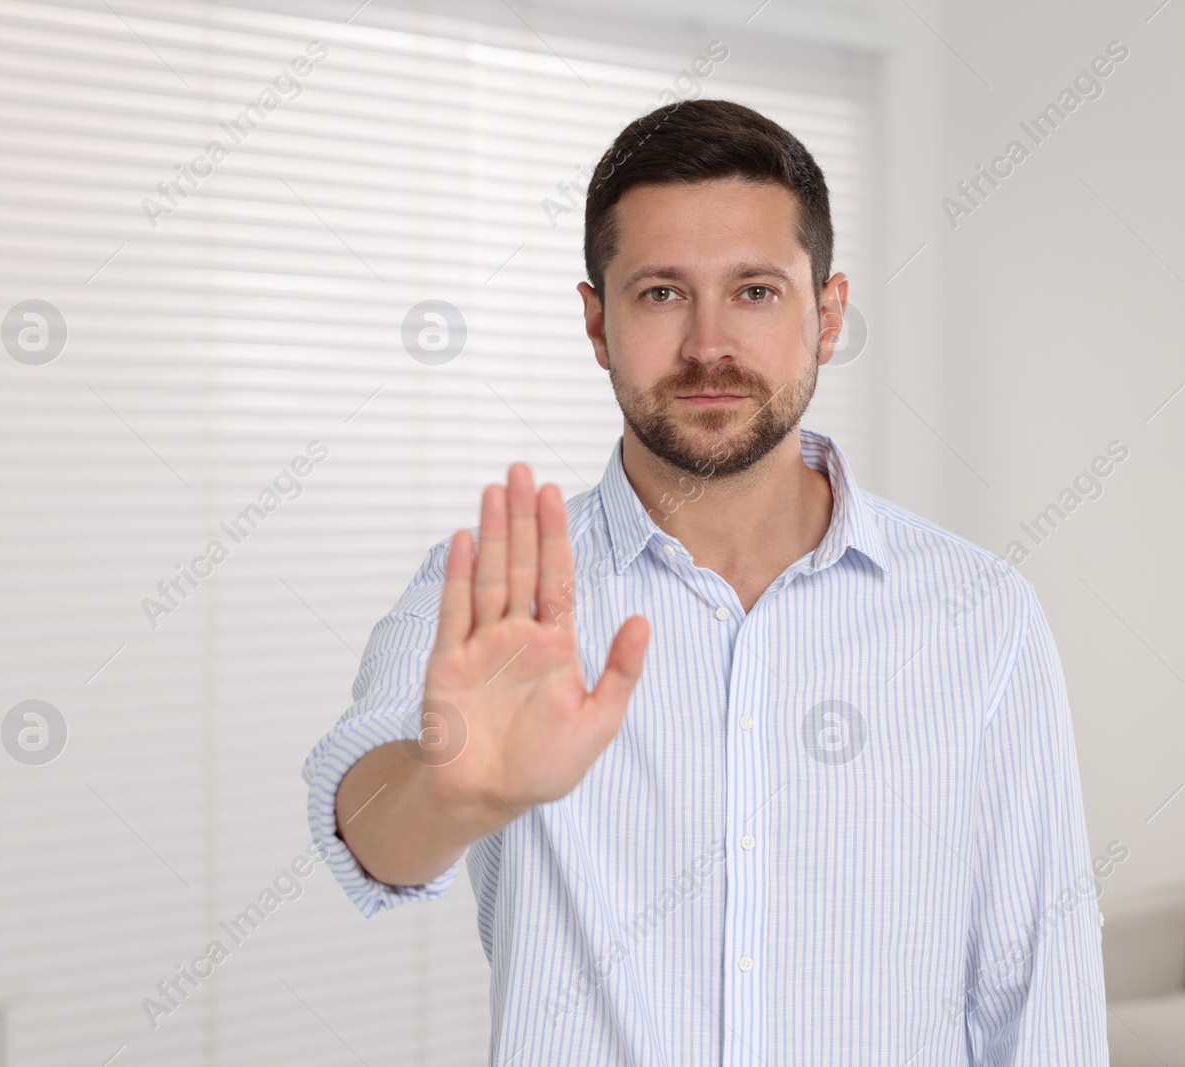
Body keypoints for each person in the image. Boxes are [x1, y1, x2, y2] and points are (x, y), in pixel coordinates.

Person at [303, 98, 1107, 1064]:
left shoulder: (980, 613)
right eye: (661, 293)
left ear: (830, 313)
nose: (708, 347)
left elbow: (1037, 988)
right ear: (597, 321)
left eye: (757, 291)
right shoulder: (494, 589)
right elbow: (371, 834)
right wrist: (458, 792)